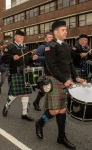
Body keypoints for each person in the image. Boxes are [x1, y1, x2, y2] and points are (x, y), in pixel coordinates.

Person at [35, 20, 84, 150]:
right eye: (63, 30)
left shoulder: (66, 46)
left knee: (62, 110)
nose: (66, 32)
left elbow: (70, 63)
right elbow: (51, 67)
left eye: (66, 30)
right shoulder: (50, 46)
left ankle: (61, 137)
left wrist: (76, 77)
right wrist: (64, 79)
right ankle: (40, 123)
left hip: (66, 80)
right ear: (55, 31)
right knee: (55, 110)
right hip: (55, 80)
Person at [1, 29, 38, 121]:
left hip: (25, 72)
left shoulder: (25, 47)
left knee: (26, 93)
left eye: (23, 37)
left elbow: (27, 59)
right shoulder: (10, 47)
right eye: (20, 37)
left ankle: (24, 113)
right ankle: (7, 105)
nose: (22, 38)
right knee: (15, 93)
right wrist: (12, 57)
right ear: (15, 37)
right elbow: (3, 58)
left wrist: (32, 58)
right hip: (16, 72)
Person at [33, 32, 53, 111]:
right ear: (45, 39)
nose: (51, 38)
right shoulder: (42, 47)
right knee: (45, 88)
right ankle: (36, 102)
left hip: (54, 70)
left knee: (50, 88)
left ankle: (39, 103)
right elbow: (37, 57)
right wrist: (48, 58)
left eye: (52, 37)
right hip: (45, 70)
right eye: (49, 37)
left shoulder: (54, 46)